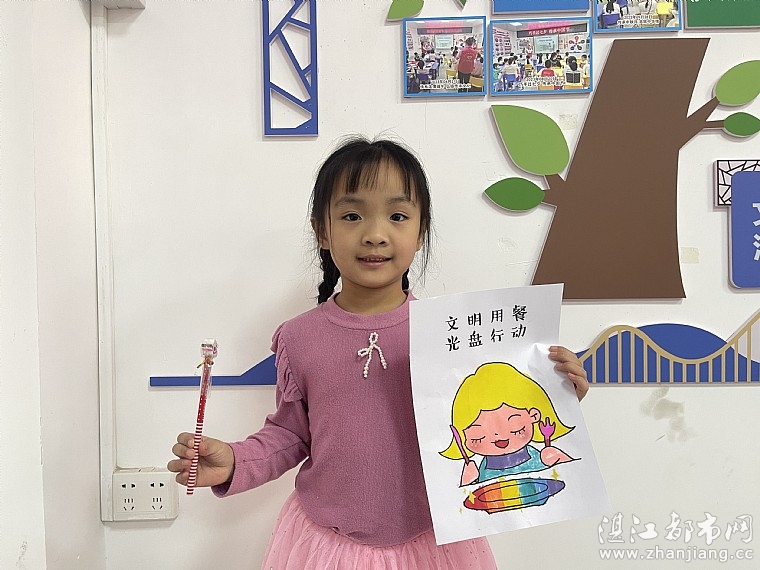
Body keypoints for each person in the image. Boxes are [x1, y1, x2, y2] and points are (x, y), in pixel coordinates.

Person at [167, 137, 590, 569]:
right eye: (352, 216)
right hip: (327, 545)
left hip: (433, 541)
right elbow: (292, 434)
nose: (374, 234)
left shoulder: (455, 337)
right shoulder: (299, 337)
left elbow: (497, 415)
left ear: (420, 231)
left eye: (397, 216)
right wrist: (236, 460)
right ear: (322, 230)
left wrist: (554, 390)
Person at [441, 362, 575, 486]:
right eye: (479, 436)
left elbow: (572, 479)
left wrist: (559, 458)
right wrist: (468, 482)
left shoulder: (539, 458)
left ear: (534, 416)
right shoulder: (481, 471)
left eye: (515, 427)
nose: (499, 435)